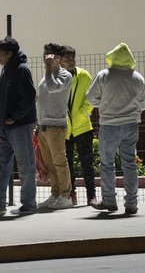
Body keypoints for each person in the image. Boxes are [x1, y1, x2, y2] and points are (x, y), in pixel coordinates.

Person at [0, 37, 38, 216]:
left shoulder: (21, 70)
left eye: (0, 54)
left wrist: (15, 117)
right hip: (6, 126)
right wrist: (3, 120)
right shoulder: (6, 70)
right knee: (1, 164)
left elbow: (29, 98)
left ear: (10, 54)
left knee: (26, 165)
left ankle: (29, 204)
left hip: (20, 126)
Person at [86, 43, 145, 215]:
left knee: (107, 164)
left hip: (109, 125)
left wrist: (105, 103)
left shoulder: (104, 75)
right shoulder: (137, 77)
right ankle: (131, 203)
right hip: (131, 126)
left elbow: (91, 99)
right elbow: (144, 104)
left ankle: (108, 200)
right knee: (129, 164)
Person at [36, 43, 74, 210]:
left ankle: (66, 196)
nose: (46, 58)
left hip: (56, 126)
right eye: (45, 55)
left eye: (50, 55)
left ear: (58, 58)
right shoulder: (46, 76)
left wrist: (49, 68)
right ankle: (55, 193)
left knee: (60, 162)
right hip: (43, 126)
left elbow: (52, 88)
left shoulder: (65, 76)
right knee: (50, 164)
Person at [61, 45, 97, 206]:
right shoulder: (56, 77)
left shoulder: (84, 75)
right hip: (65, 129)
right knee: (67, 165)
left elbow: (92, 97)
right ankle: (71, 194)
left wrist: (82, 114)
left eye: (72, 58)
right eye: (67, 58)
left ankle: (91, 195)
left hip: (83, 127)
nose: (71, 61)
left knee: (87, 164)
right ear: (59, 60)